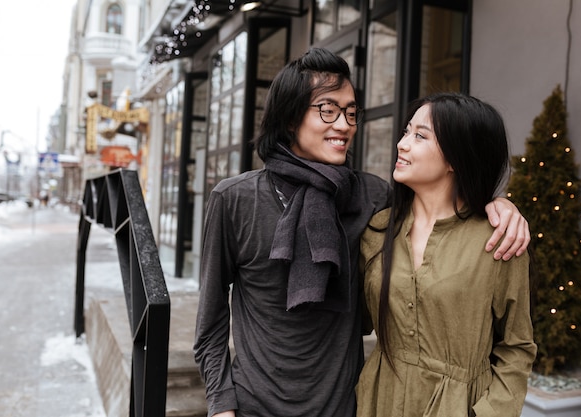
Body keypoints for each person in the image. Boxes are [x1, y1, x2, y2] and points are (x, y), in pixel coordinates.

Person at [193, 49, 530, 417]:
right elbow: (210, 321)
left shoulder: (372, 199)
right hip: (253, 406)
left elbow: (442, 202)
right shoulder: (234, 199)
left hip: (346, 406)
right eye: (327, 109)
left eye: (351, 112)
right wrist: (221, 406)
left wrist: (498, 205)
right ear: (290, 118)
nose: (343, 124)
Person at [356, 92, 537, 417]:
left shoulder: (499, 240)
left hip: (458, 407)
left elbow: (517, 347)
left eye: (420, 136)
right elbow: (347, 323)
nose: (402, 144)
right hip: (380, 402)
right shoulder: (377, 230)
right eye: (406, 131)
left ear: (457, 157)